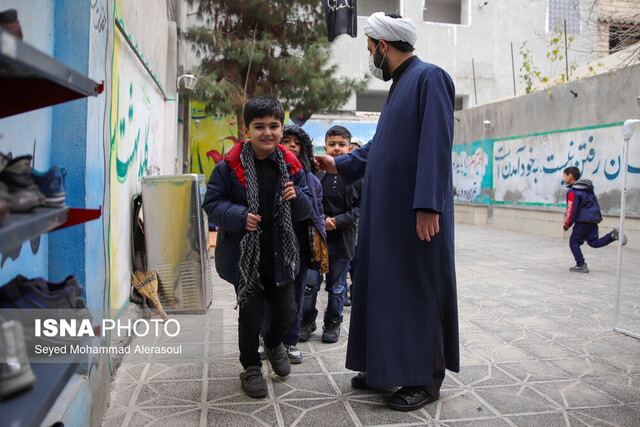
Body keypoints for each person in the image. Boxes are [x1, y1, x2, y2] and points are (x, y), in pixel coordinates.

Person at [314, 12, 459, 411]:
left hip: (417, 215)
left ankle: (425, 381)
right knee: (386, 291)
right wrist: (339, 164)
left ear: (383, 45)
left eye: (369, 48)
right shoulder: (400, 86)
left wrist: (429, 205)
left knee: (419, 291)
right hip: (388, 217)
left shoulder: (430, 77)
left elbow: (436, 143)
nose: (369, 57)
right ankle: (385, 367)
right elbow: (382, 147)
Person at [202, 96, 313, 399]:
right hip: (245, 257)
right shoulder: (228, 166)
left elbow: (307, 209)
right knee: (250, 316)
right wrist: (239, 216)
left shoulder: (292, 165)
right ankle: (250, 366)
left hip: (281, 255)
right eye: (259, 126)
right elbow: (211, 204)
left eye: (274, 126)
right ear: (247, 129)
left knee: (287, 310)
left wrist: (296, 198)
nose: (268, 132)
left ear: (281, 128)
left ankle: (275, 342)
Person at [261, 124, 328, 364]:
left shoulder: (310, 180)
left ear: (304, 149)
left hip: (298, 246)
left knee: (295, 298)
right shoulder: (265, 170)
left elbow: (314, 212)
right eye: (286, 140)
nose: (291, 145)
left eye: (296, 142)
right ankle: (267, 340)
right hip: (270, 245)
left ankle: (289, 343)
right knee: (267, 295)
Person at [300, 125, 362, 344]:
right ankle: (306, 321)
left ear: (350, 148)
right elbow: (308, 199)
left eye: (342, 145)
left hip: (342, 241)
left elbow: (360, 207)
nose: (337, 149)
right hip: (316, 239)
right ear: (325, 147)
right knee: (310, 285)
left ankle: (333, 323)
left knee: (337, 287)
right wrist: (321, 219)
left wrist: (337, 221)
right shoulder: (316, 172)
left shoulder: (356, 177)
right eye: (332, 144)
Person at [562, 166, 627, 273]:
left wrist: (567, 224)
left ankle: (581, 264)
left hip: (582, 221)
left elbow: (571, 209)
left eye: (564, 176)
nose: (564, 178)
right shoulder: (587, 189)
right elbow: (594, 203)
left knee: (574, 242)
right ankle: (612, 235)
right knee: (593, 242)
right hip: (593, 219)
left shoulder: (573, 192)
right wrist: (598, 217)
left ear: (570, 176)